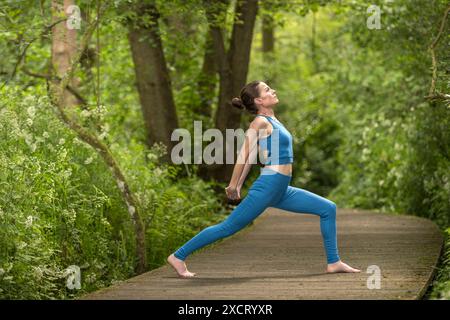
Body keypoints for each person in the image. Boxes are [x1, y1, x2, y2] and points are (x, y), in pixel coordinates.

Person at [167, 80, 361, 278]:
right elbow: (243, 155)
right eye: (268, 89)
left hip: (281, 189)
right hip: (268, 186)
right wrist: (233, 185)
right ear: (259, 100)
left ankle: (334, 262)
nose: (273, 90)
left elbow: (252, 158)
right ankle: (178, 256)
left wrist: (240, 185)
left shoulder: (273, 120)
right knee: (227, 227)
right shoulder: (259, 122)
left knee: (328, 208)